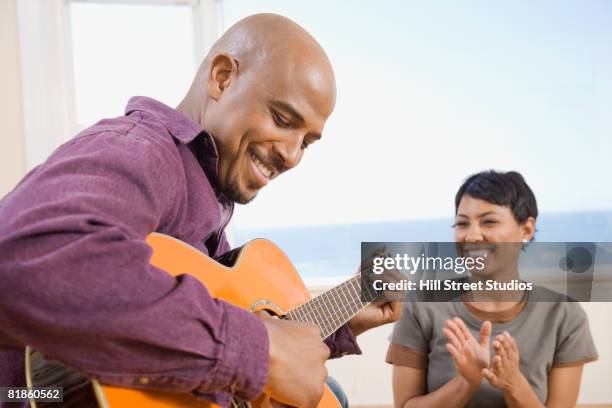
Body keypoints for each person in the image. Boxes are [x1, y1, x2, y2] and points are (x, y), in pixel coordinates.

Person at [0, 14, 401, 408]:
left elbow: (201, 330)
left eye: (307, 142)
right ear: (222, 77)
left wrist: (342, 320)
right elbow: (27, 262)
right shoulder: (141, 152)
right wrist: (257, 351)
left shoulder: (205, 197)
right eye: (282, 119)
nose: (292, 155)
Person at [387, 170, 598, 408]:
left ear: (526, 230)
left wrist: (514, 384)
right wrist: (466, 382)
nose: (472, 235)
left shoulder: (564, 315)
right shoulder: (422, 304)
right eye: (462, 223)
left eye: (489, 221)